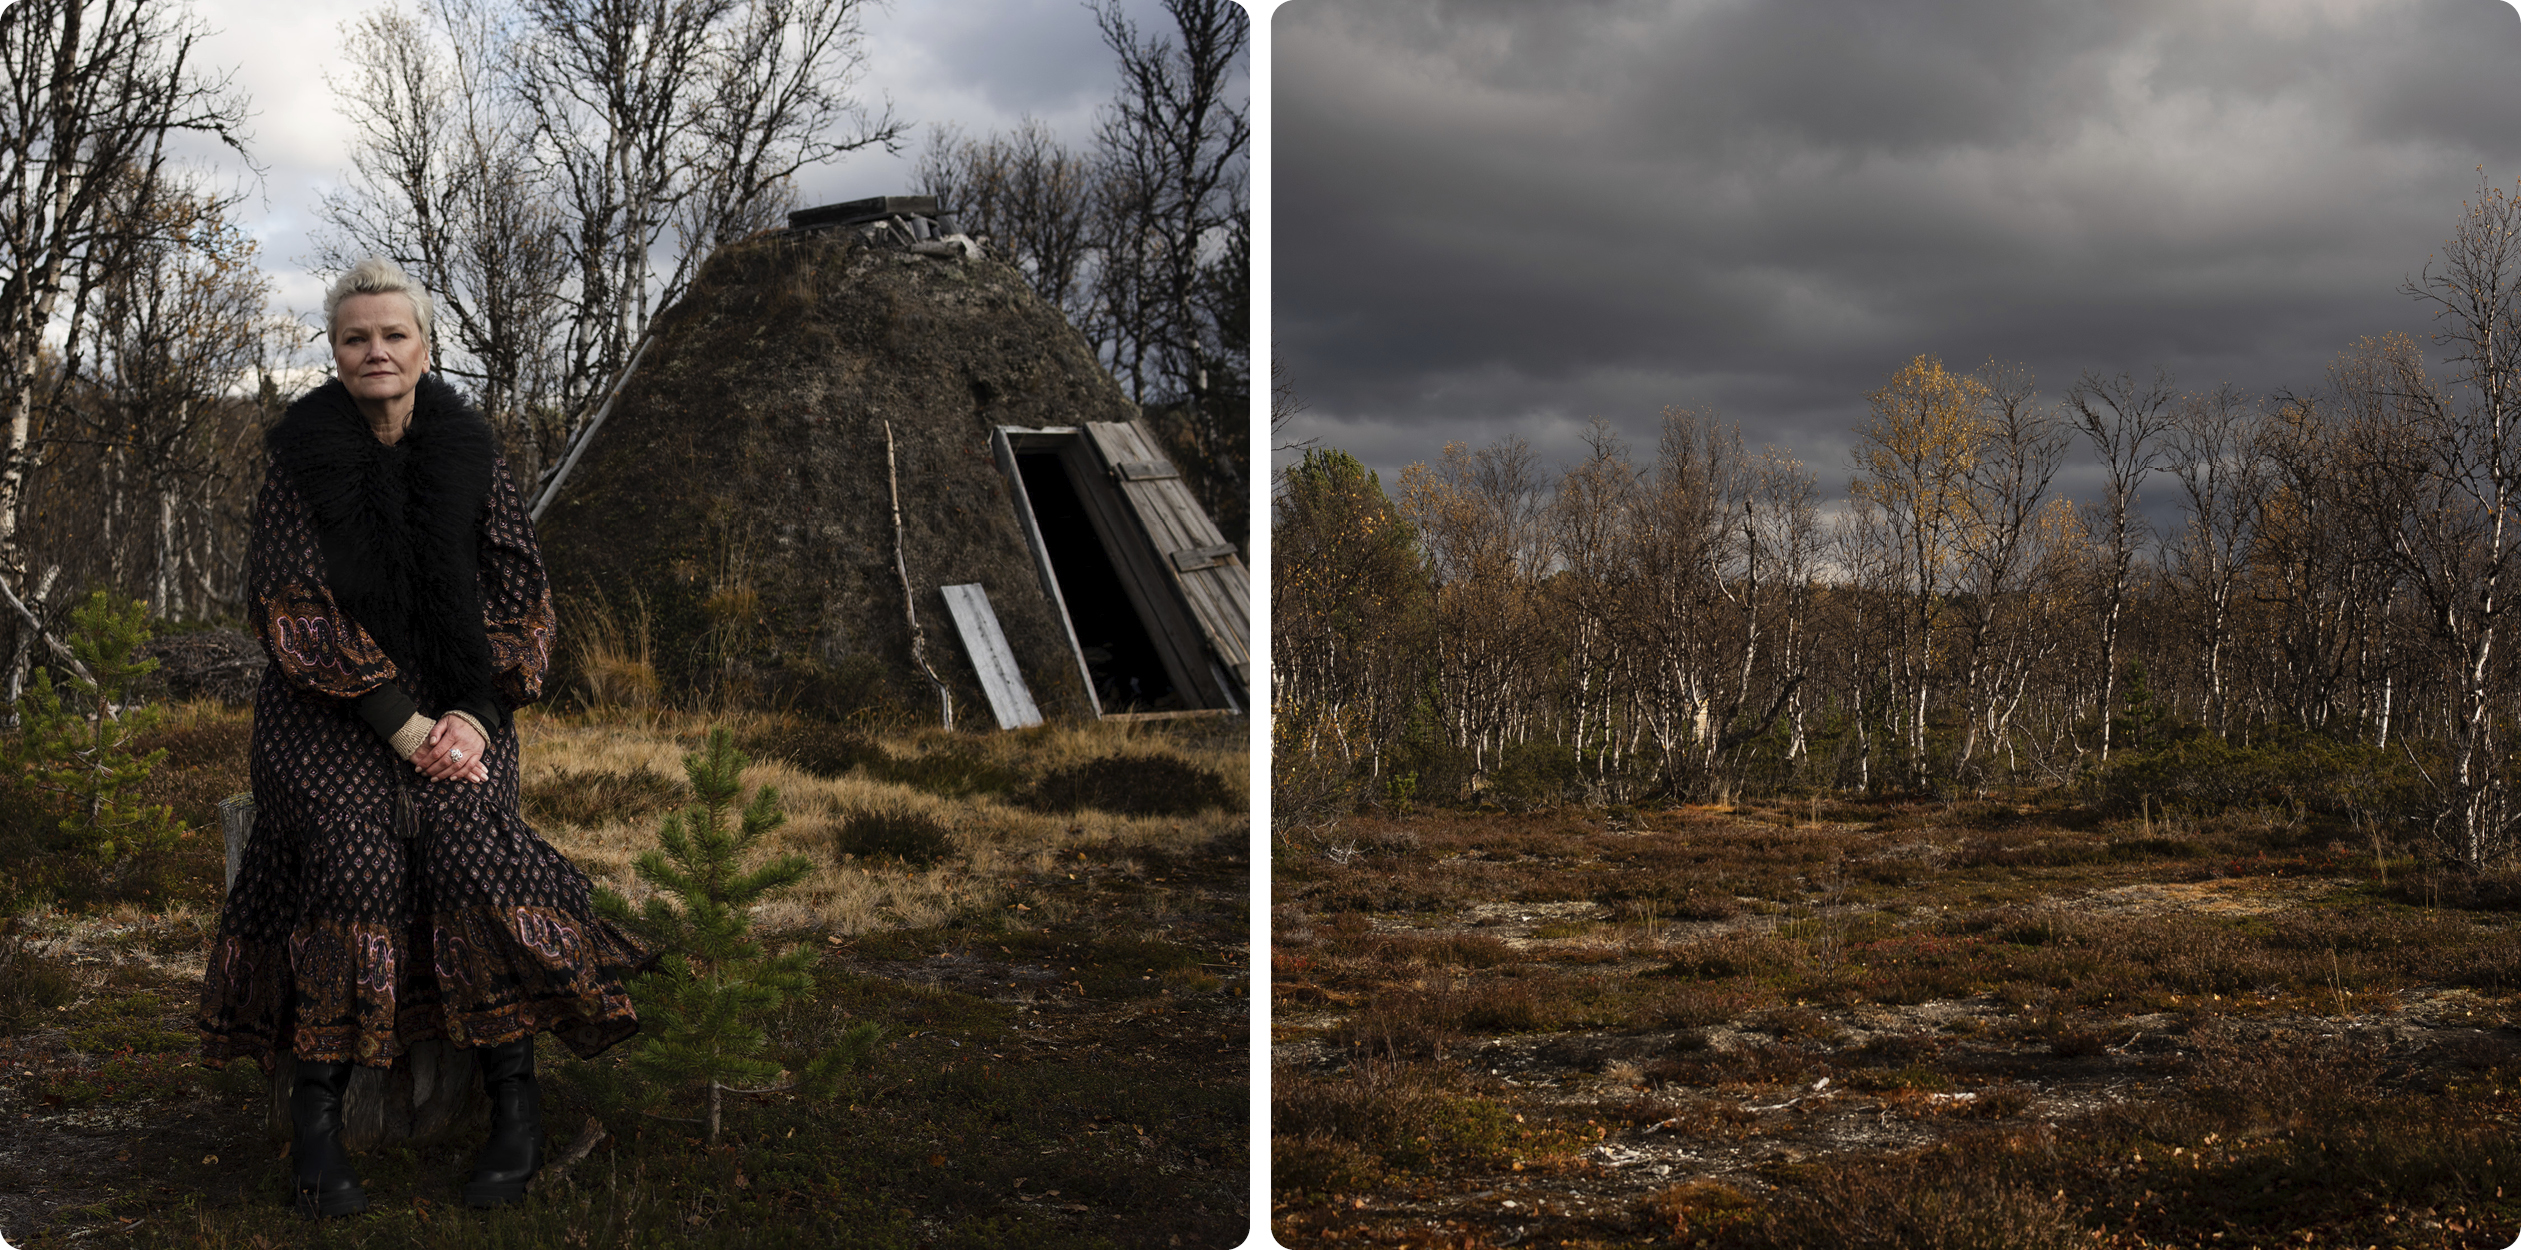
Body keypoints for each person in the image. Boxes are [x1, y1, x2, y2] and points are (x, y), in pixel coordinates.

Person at [196, 258, 652, 1219]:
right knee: (355, 854)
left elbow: (525, 599)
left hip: (460, 714)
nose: (376, 351)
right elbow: (292, 610)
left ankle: (513, 1109)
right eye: (356, 337)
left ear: (424, 347)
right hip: (329, 715)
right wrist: (401, 724)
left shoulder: (473, 455)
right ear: (335, 351)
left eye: (393, 335)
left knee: (463, 849)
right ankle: (319, 1128)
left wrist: (475, 717)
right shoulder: (298, 460)